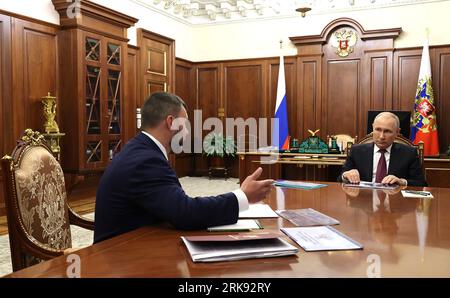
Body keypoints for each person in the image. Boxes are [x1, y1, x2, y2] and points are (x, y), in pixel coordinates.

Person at [94, 92, 274, 243]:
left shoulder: (142, 149)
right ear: (171, 122)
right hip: (120, 257)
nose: (187, 132)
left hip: (140, 242)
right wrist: (242, 196)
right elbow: (184, 213)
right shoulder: (145, 160)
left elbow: (173, 206)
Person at [339, 112, 427, 187]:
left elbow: (421, 184)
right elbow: (339, 179)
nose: (381, 136)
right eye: (378, 129)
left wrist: (401, 182)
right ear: (372, 128)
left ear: (397, 132)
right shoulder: (356, 151)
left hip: (396, 202)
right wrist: (345, 175)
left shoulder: (409, 153)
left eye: (387, 131)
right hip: (364, 202)